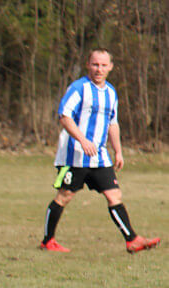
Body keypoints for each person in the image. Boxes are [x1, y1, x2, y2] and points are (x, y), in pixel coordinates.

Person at [40, 48, 160, 253]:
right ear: (88, 64)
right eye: (95, 64)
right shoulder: (79, 88)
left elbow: (112, 123)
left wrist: (118, 151)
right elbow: (64, 116)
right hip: (74, 156)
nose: (99, 69)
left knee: (114, 195)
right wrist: (82, 140)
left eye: (104, 65)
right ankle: (47, 241)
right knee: (64, 196)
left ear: (111, 67)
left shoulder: (111, 92)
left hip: (99, 157)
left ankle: (132, 240)